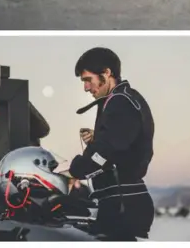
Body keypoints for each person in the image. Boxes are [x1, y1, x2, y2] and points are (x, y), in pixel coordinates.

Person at [66, 48, 155, 241]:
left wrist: (75, 169)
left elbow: (109, 150)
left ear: (106, 73)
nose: (86, 87)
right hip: (121, 204)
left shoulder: (120, 102)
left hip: (123, 207)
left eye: (88, 80)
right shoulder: (123, 98)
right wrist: (97, 139)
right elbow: (120, 141)